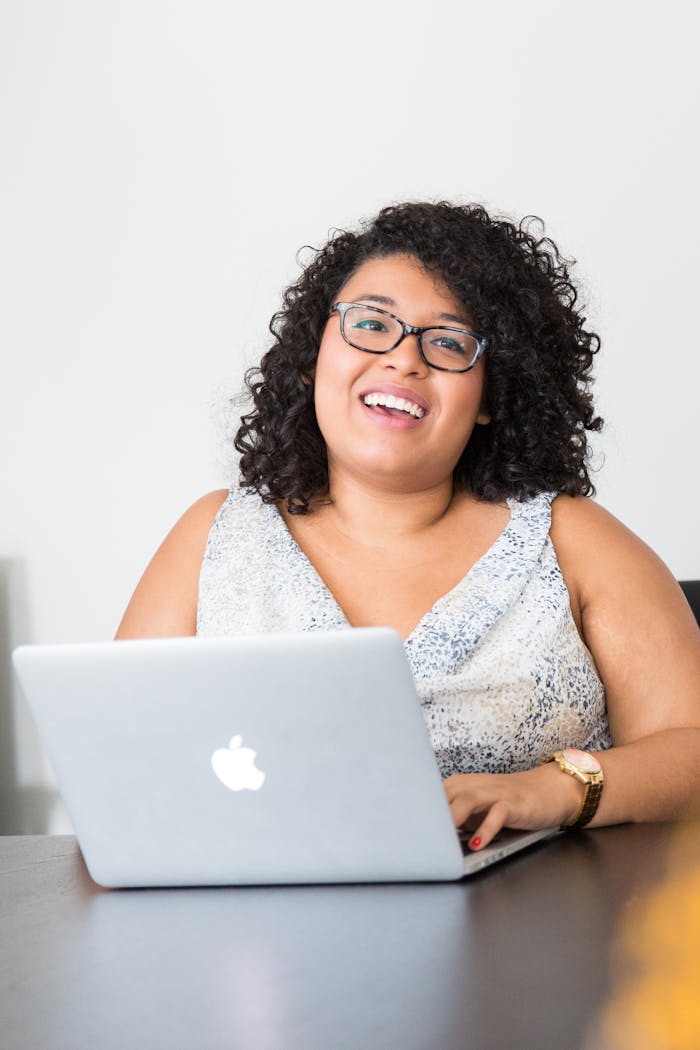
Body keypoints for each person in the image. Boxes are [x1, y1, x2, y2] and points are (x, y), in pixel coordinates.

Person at [116, 200, 700, 850]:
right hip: (258, 937)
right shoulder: (213, 537)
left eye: (447, 341)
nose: (404, 360)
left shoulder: (576, 541)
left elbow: (692, 750)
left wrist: (554, 790)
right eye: (371, 324)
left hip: (535, 932)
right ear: (315, 357)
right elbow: (113, 764)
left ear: (491, 396)